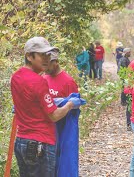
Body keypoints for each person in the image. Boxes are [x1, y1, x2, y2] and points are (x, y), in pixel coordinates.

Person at [11, 36, 83, 176]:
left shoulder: (16, 77)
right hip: (40, 145)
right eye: (41, 55)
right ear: (29, 56)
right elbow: (54, 115)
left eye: (47, 55)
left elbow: (29, 104)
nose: (46, 59)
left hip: (21, 142)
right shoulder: (40, 81)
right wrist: (69, 104)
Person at [43, 49, 80, 177]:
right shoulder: (44, 78)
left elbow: (74, 109)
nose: (45, 68)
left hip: (63, 130)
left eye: (48, 64)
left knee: (62, 165)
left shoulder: (68, 82)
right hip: (46, 131)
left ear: (56, 62)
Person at [118, 48, 132, 130]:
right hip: (125, 77)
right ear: (126, 53)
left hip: (125, 77)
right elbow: (123, 69)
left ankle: (123, 101)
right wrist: (126, 77)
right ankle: (123, 101)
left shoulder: (125, 59)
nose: (130, 53)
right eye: (129, 52)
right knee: (124, 89)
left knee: (124, 89)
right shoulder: (123, 60)